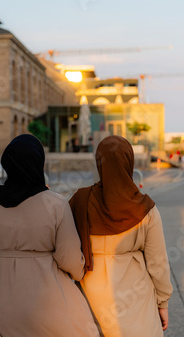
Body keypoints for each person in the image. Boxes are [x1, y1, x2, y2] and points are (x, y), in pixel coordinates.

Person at [0, 134, 100, 337]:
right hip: (50, 305)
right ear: (39, 162)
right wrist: (79, 274)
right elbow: (70, 260)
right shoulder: (56, 204)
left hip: (1, 304)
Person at [69, 135, 173, 337]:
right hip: (135, 298)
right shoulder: (145, 208)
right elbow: (158, 263)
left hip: (89, 298)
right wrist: (163, 302)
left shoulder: (80, 201)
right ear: (129, 162)